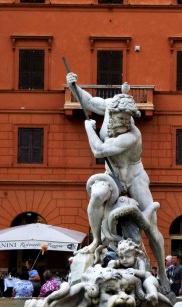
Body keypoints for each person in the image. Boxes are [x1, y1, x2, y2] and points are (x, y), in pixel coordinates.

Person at [66, 72, 170, 292]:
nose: (124, 122)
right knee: (96, 195)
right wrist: (73, 85)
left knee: (151, 226)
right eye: (121, 118)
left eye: (128, 119)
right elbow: (87, 100)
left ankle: (161, 271)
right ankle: (95, 240)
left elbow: (99, 149)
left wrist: (88, 129)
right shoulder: (108, 107)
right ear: (112, 112)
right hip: (110, 177)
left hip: (134, 177)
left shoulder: (132, 135)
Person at [107, 238, 159, 305]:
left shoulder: (139, 261)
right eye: (121, 257)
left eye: (127, 257)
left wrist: (135, 271)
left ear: (135, 255)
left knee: (147, 283)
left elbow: (143, 273)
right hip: (135, 285)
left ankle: (153, 295)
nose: (124, 260)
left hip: (148, 278)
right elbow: (109, 267)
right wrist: (116, 263)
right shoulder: (121, 263)